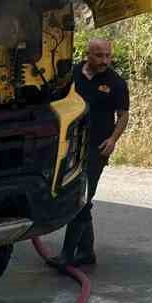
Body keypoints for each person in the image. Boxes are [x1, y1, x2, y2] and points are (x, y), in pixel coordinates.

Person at [59, 38, 130, 267]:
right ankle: (87, 252)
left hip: (97, 148)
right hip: (68, 145)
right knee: (77, 198)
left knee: (83, 197)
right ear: (87, 54)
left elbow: (123, 115)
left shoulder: (116, 83)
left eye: (108, 55)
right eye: (99, 56)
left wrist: (113, 140)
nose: (105, 61)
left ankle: (67, 255)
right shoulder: (71, 75)